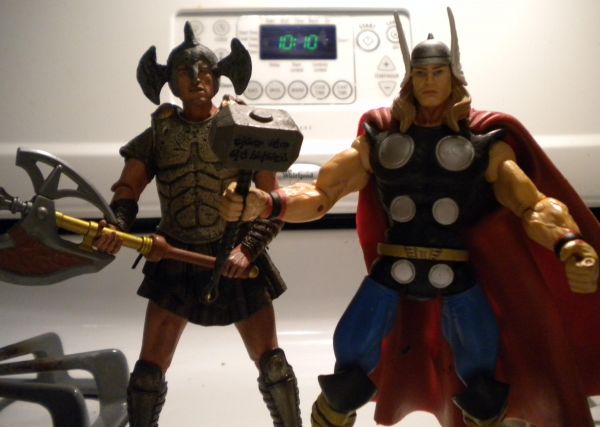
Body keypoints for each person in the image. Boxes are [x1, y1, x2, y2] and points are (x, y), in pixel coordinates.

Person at [220, 8, 600, 427]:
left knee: (482, 378)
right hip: (392, 270)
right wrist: (267, 203)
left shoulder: (484, 145)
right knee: (349, 369)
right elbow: (322, 193)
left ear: (453, 78)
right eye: (421, 74)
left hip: (456, 273)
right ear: (410, 79)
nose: (429, 81)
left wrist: (569, 243)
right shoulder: (380, 140)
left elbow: (532, 204)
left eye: (438, 73)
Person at [94, 22, 302, 427]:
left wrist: (247, 249)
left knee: (273, 364)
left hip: (237, 252)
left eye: (204, 69)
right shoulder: (159, 134)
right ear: (169, 81)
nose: (196, 78)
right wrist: (116, 225)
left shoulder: (244, 127)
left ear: (220, 74)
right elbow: (128, 189)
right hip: (174, 254)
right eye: (184, 72)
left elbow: (272, 203)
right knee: (148, 373)